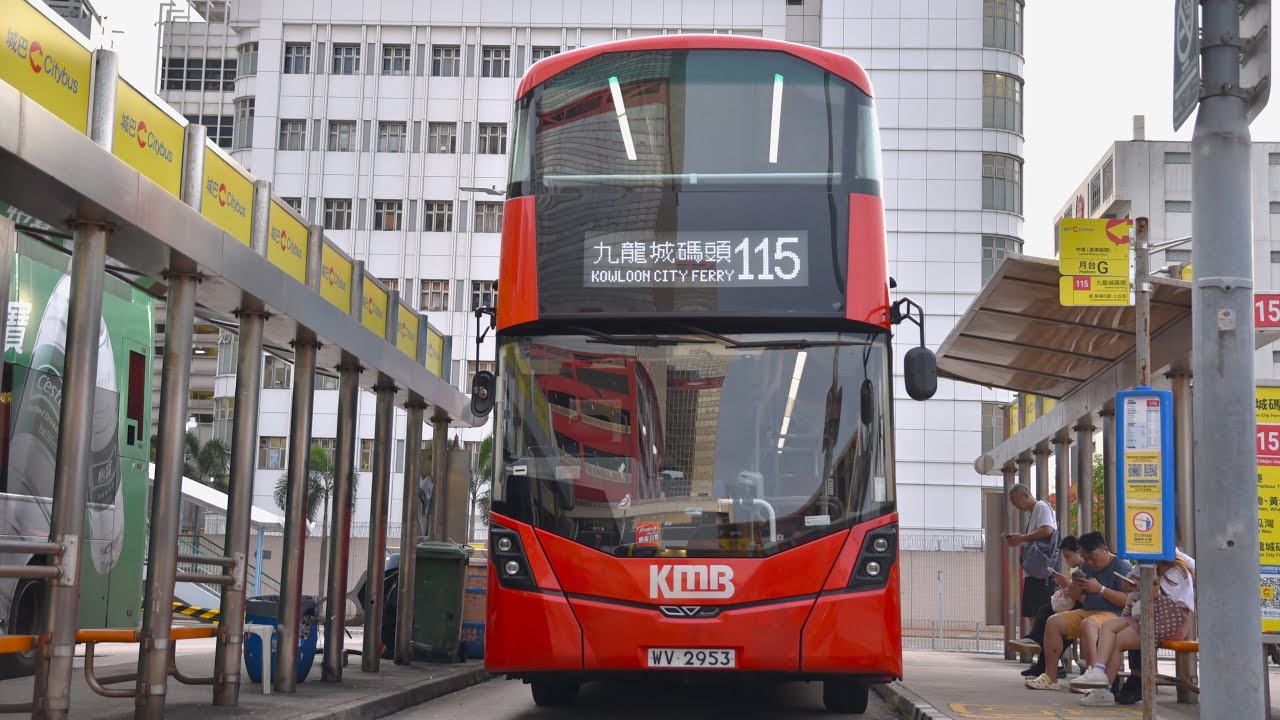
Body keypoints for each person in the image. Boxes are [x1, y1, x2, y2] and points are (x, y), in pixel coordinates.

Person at [1071, 552, 1196, 706]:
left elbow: (1158, 597)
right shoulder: (1145, 566)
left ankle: (1104, 687)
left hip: (1169, 622)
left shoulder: (1178, 571)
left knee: (1116, 641)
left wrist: (1144, 586)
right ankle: (1099, 672)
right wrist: (1132, 586)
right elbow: (1136, 587)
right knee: (1108, 626)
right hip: (1149, 616)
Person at [1025, 532, 1132, 690]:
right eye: (1085, 557)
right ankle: (1050, 677)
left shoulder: (1121, 566)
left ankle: (1092, 675)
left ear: (1105, 550)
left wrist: (1100, 589)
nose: (1089, 561)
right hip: (1088, 610)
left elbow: (1127, 601)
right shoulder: (1086, 566)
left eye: (1091, 556)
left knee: (1088, 624)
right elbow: (1076, 596)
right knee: (1053, 622)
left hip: (1113, 615)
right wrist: (1075, 584)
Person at [1019, 535, 1084, 678]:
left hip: (1082, 609)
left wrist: (1067, 584)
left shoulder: (1086, 569)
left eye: (1068, 556)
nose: (1066, 561)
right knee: (1046, 612)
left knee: (1051, 622)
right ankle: (1042, 662)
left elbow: (1084, 597)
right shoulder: (1080, 568)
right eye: (1064, 557)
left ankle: (1049, 665)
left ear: (1078, 552)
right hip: (1077, 607)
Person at [1004, 484, 1059, 631]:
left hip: (1042, 576)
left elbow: (1047, 529)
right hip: (1036, 573)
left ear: (1025, 495)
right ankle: (1039, 643)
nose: (1017, 507)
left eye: (1016, 502)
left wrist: (1023, 538)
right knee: (1032, 613)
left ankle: (1043, 645)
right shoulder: (1034, 512)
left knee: (1039, 615)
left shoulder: (1041, 506)